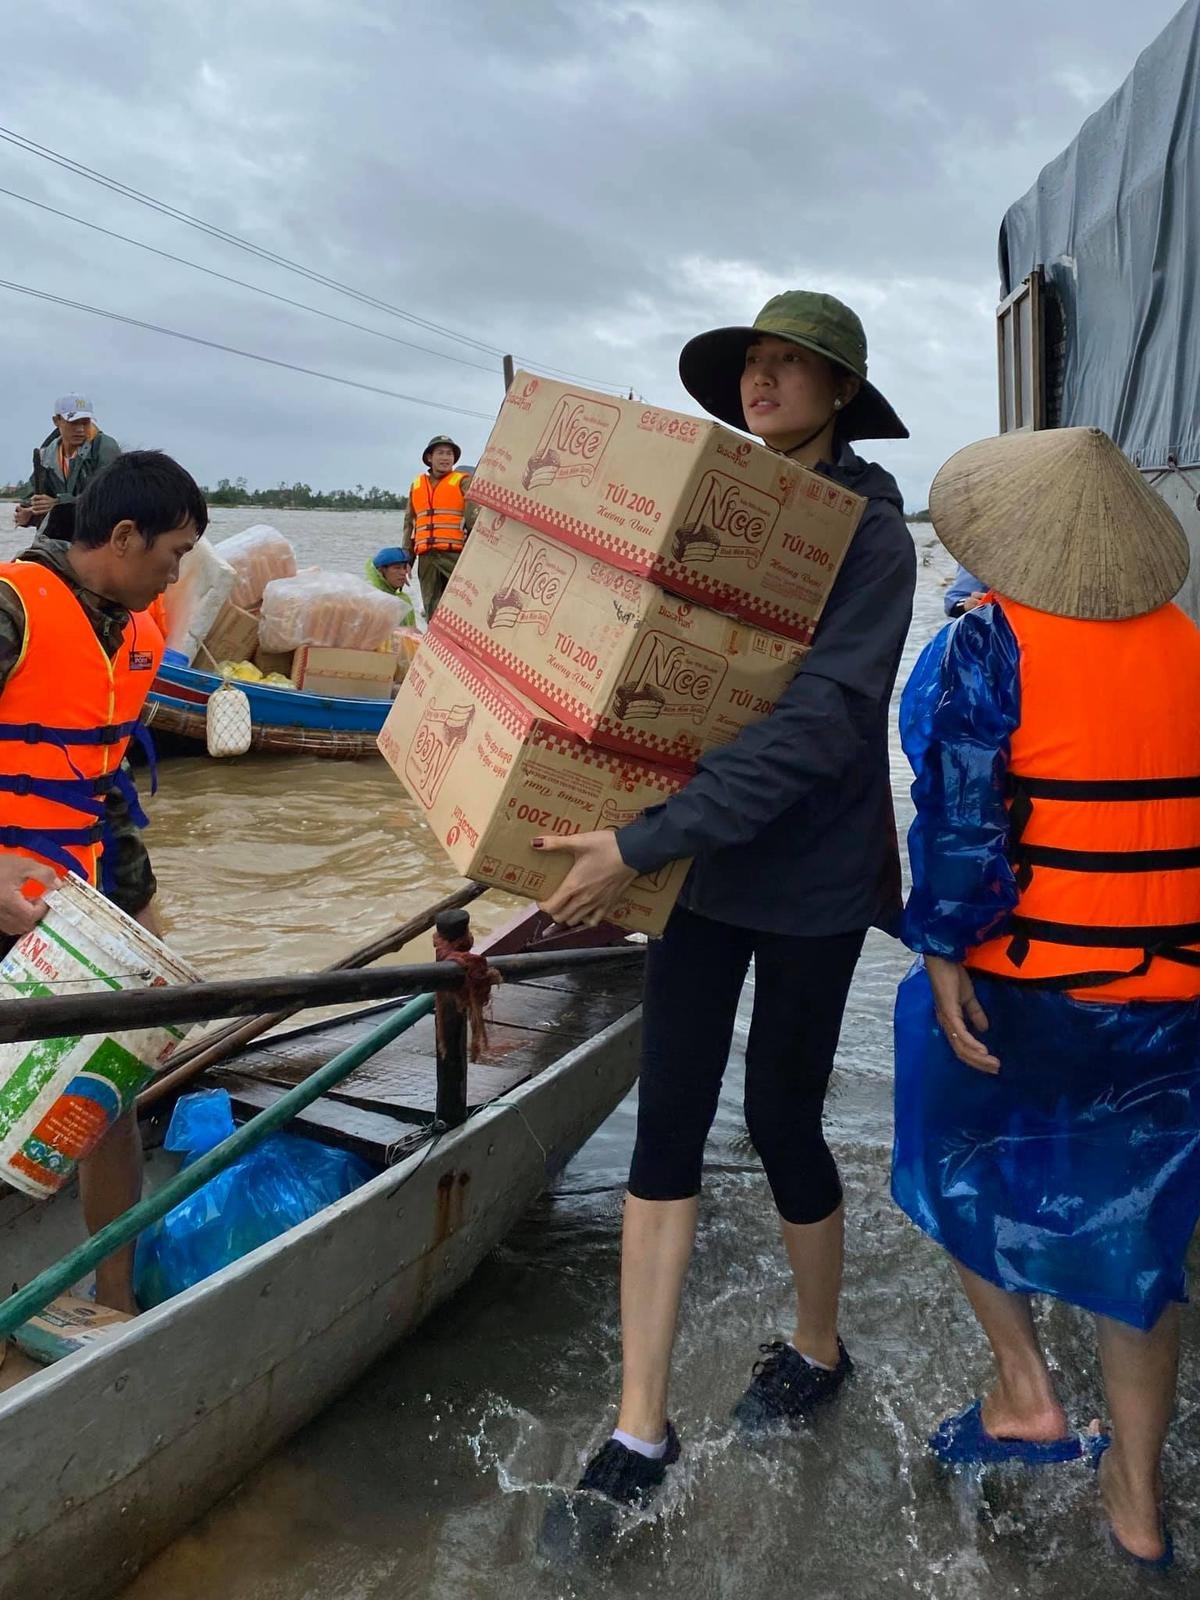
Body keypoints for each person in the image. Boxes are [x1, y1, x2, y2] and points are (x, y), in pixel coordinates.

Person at [533, 291, 916, 1554]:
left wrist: (642, 838)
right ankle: (641, 1425)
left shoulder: (870, 532)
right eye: (750, 363)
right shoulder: (717, 506)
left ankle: (818, 1345)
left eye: (788, 366)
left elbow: (822, 724)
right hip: (700, 867)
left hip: (809, 874)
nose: (761, 381)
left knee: (782, 1112)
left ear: (841, 391)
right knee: (670, 1117)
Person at [892, 426, 1199, 1571]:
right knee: (1143, 1233)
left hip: (1033, 987)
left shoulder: (984, 643)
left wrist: (941, 945)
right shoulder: (1190, 644)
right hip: (1170, 999)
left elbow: (957, 819)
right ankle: (1136, 1503)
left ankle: (1025, 1389)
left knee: (945, 1142)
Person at [0, 448, 206, 1312]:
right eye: (172, 555)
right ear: (122, 537)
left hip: (72, 911)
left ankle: (111, 1298)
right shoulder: (14, 607)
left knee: (105, 1094)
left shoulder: (130, 629)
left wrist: (141, 911)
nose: (176, 574)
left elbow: (104, 785)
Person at [13, 395, 121, 536]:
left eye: (85, 422)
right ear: (56, 421)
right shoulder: (46, 456)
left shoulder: (105, 447)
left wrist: (59, 503)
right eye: (74, 423)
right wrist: (28, 513)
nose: (80, 429)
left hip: (96, 537)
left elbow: (110, 497)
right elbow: (32, 494)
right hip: (61, 538)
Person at [402, 435, 476, 618]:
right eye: (440, 453)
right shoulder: (417, 485)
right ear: (429, 458)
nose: (445, 458)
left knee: (462, 604)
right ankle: (433, 642)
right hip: (427, 557)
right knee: (432, 607)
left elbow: (475, 516)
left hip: (455, 555)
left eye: (449, 454)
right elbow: (409, 525)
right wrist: (406, 560)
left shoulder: (463, 481)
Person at [364, 546, 416, 627]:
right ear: (381, 571)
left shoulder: (404, 599)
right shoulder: (372, 600)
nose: (403, 572)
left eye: (404, 568)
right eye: (397, 568)